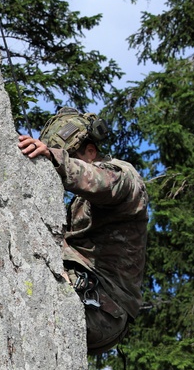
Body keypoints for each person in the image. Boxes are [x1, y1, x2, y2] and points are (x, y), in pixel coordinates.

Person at [18, 107, 148, 354]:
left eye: (71, 155)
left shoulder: (125, 178)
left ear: (91, 151)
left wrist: (54, 158)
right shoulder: (80, 204)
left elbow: (100, 180)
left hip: (103, 307)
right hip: (94, 301)